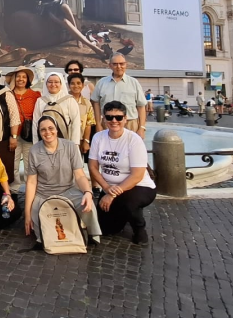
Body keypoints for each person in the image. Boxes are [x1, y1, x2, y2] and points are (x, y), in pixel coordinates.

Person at [24, 115, 100, 247]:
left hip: (68, 191)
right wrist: (27, 214)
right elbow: (31, 182)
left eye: (51, 128)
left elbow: (80, 175)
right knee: (41, 235)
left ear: (57, 129)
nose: (47, 132)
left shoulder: (70, 146)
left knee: (88, 205)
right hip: (43, 195)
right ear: (39, 132)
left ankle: (93, 234)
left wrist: (88, 192)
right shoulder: (34, 151)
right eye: (43, 130)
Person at [88, 101, 156, 245]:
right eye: (109, 117)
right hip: (110, 187)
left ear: (125, 119)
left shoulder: (134, 140)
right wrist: (106, 188)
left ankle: (139, 229)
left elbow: (137, 175)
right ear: (104, 119)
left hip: (138, 186)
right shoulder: (98, 138)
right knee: (104, 229)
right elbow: (93, 167)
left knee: (128, 202)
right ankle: (123, 217)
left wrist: (111, 195)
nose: (114, 121)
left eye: (118, 117)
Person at [91, 54, 147, 140]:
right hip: (108, 123)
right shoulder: (101, 83)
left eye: (121, 64)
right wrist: (98, 125)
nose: (119, 66)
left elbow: (141, 106)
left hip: (130, 124)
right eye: (115, 64)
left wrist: (141, 128)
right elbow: (96, 104)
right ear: (110, 65)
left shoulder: (134, 83)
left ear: (126, 64)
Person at [7, 66, 40, 185]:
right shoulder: (7, 94)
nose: (21, 79)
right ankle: (14, 190)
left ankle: (29, 189)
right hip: (11, 135)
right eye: (18, 76)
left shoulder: (35, 95)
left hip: (29, 134)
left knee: (29, 163)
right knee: (13, 163)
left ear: (28, 80)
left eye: (24, 77)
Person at [32, 72, 81, 145]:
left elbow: (76, 122)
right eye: (50, 82)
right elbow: (35, 123)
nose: (53, 84)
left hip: (66, 142)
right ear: (46, 84)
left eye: (56, 82)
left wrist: (74, 144)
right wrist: (36, 143)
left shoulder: (69, 100)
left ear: (61, 84)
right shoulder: (40, 101)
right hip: (45, 143)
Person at [67, 73, 95, 161]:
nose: (76, 86)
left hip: (80, 140)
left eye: (78, 83)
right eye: (72, 83)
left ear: (83, 85)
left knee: (77, 167)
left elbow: (88, 123)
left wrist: (86, 142)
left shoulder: (87, 103)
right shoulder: (63, 101)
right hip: (65, 140)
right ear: (68, 85)